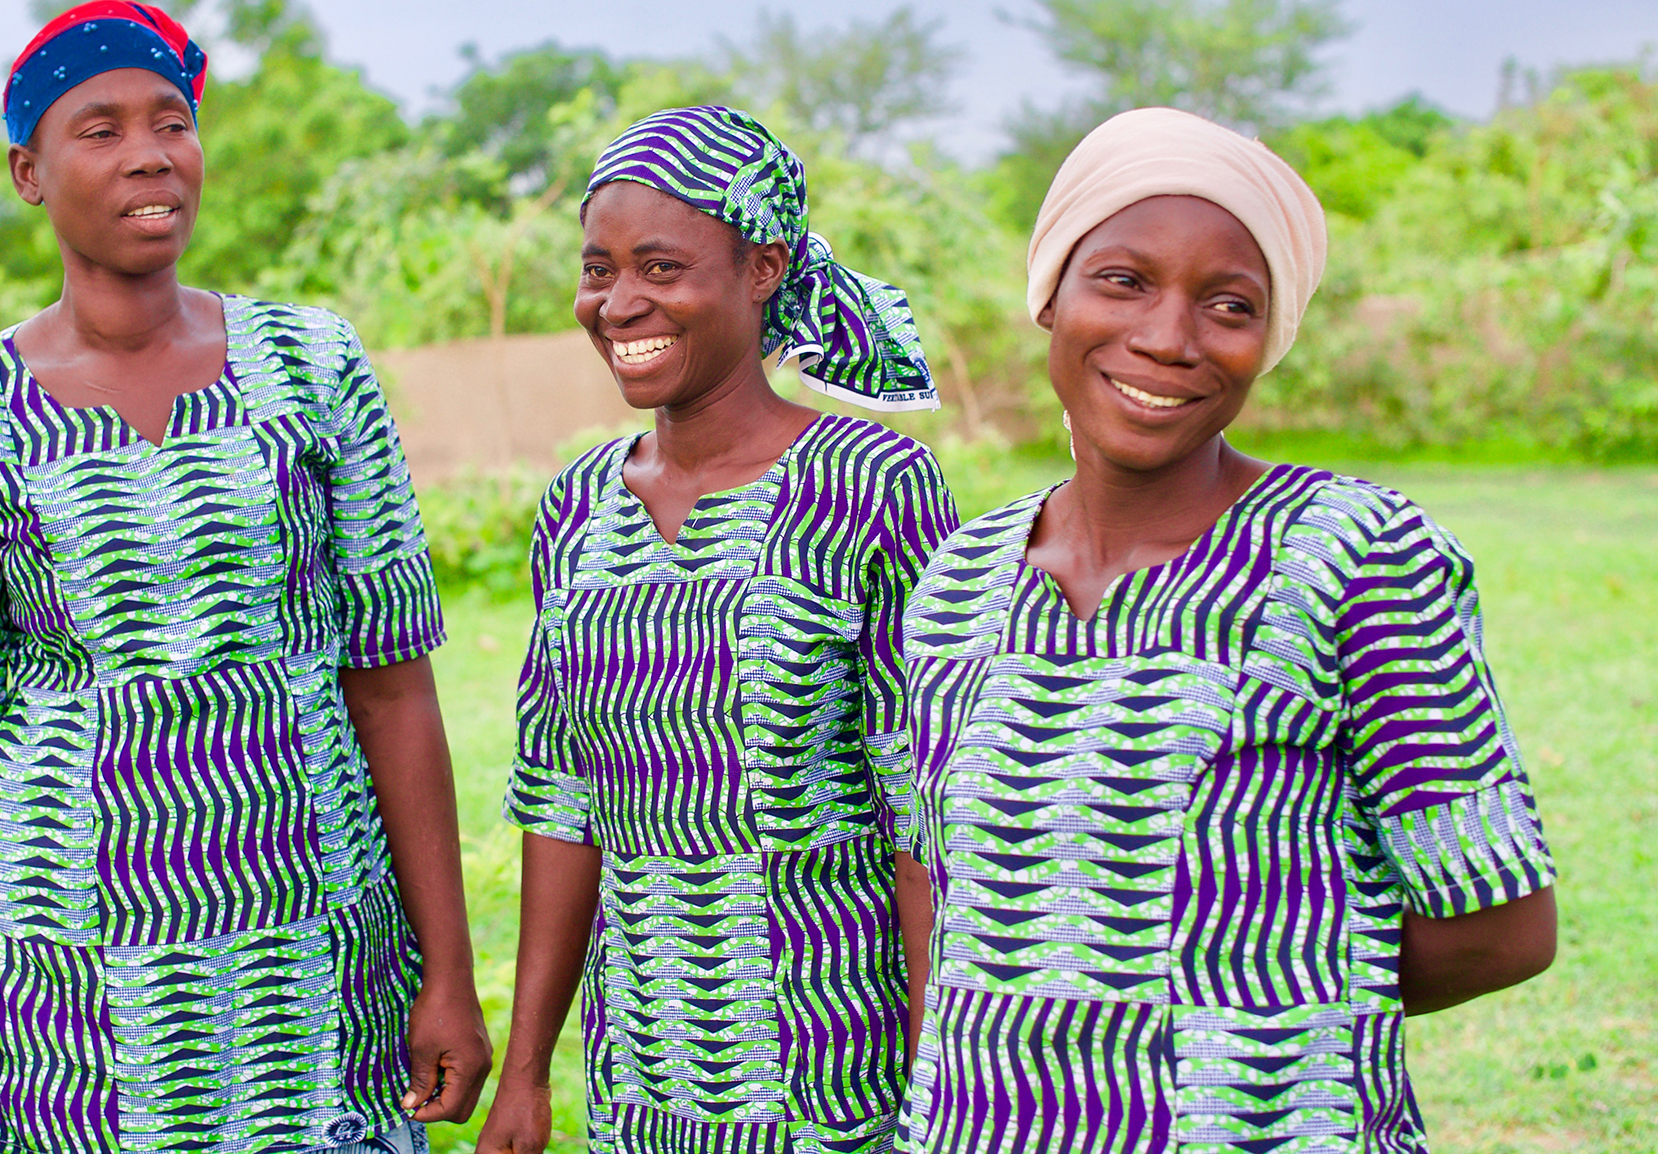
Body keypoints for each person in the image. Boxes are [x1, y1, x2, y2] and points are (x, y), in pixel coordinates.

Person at [0, 0, 490, 1154]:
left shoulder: (313, 366)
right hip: (72, 994)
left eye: (172, 121)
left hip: (317, 956)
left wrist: (445, 972)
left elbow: (394, 690)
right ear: (28, 173)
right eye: (99, 129)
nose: (151, 153)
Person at [897, 107, 1558, 1153]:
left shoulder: (1354, 556)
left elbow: (1501, 928)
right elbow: (935, 881)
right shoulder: (957, 581)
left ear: (1270, 337)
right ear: (1049, 296)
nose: (1167, 337)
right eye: (1122, 280)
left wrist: (1257, 1019)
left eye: (1229, 303)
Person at [474, 106, 960, 1154]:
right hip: (639, 1086)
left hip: (836, 1085)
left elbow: (928, 813)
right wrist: (526, 1072)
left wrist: (940, 1091)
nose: (619, 303)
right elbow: (562, 802)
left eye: (661, 265)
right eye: (599, 268)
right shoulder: (578, 507)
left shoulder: (871, 487)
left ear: (762, 268)